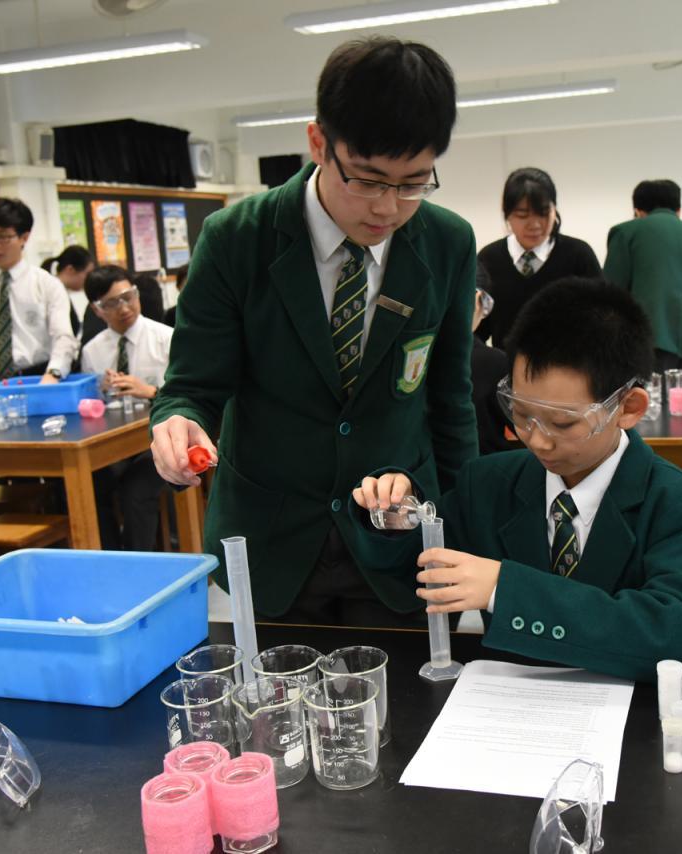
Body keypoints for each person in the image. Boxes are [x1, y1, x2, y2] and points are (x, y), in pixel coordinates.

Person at [150, 36, 478, 627]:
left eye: (413, 183)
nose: (388, 208)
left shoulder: (447, 243)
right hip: (270, 542)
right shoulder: (236, 239)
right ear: (319, 143)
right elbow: (192, 387)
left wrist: (462, 523)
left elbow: (451, 399)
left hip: (397, 540)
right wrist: (177, 423)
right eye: (368, 180)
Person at [350, 278, 682, 683]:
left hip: (629, 711)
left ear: (628, 408)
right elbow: (413, 570)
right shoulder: (488, 484)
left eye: (563, 423)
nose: (536, 439)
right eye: (520, 413)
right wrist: (393, 516)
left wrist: (505, 590)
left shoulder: (675, 503)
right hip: (506, 707)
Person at [602, 179, 682, 385]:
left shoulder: (626, 233)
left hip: (646, 344)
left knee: (648, 406)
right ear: (678, 210)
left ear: (638, 211)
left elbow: (610, 296)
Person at [80, 267, 172, 551]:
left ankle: (139, 565)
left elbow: (190, 395)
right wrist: (101, 393)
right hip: (115, 443)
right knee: (91, 485)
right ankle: (108, 559)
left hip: (160, 439)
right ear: (97, 310)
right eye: (111, 303)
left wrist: (151, 392)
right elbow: (88, 407)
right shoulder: (92, 351)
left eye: (128, 297)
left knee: (136, 488)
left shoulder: (166, 338)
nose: (123, 308)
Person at [0, 198, 77, 385]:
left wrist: (54, 374)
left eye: (3, 237)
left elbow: (64, 338)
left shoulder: (47, 284)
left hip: (40, 378)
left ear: (24, 237)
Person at [475, 167, 601, 349]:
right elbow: (478, 328)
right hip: (506, 364)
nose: (534, 225)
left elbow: (601, 319)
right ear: (507, 214)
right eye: (522, 215)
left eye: (543, 213)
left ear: (554, 210)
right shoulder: (489, 258)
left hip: (568, 363)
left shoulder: (578, 255)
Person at [471, 266, 509, 454]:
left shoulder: (411, 356)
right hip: (485, 465)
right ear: (478, 301)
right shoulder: (493, 362)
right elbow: (529, 426)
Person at [42, 245, 94, 339]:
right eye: (87, 274)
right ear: (70, 269)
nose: (89, 279)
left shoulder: (61, 293)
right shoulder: (50, 294)